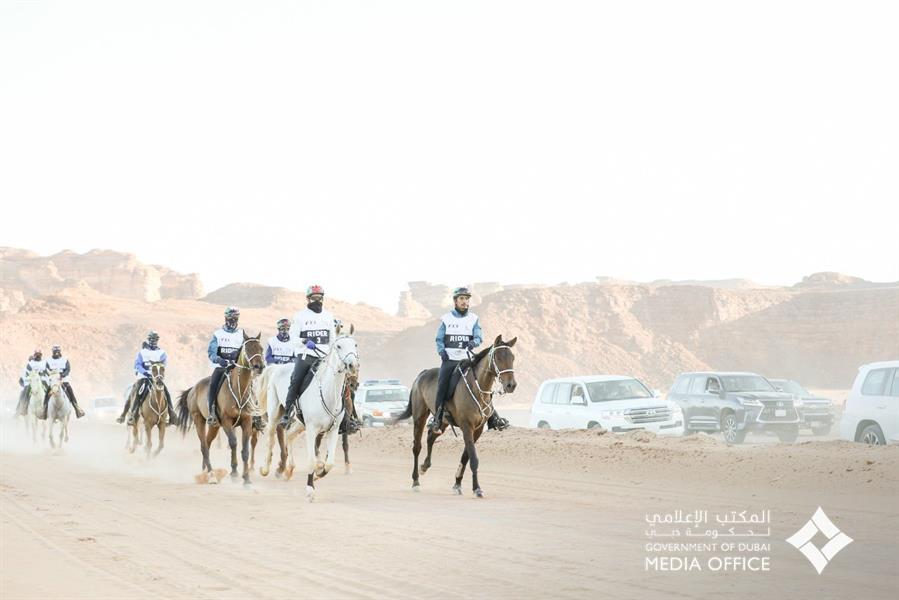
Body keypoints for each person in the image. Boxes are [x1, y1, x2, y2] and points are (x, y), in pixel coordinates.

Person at [430, 287, 510, 433]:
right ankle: (437, 418)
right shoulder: (446, 319)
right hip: (450, 360)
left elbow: (478, 336)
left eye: (467, 299)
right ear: (455, 301)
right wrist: (442, 351)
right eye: (461, 298)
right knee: (442, 385)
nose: (465, 301)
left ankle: (493, 418)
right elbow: (439, 339)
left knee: (483, 384)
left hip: (467, 359)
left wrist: (474, 342)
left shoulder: (474, 319)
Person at [278, 285, 338, 428]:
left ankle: (348, 417)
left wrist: (331, 355)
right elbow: (292, 337)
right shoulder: (300, 316)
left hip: (325, 356)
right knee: (296, 379)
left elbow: (332, 339)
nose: (317, 301)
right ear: (308, 299)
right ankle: (287, 413)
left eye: (320, 298)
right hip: (306, 355)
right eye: (314, 298)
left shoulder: (328, 316)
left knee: (344, 380)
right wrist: (304, 341)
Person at [118, 331, 178, 425]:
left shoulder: (162, 353)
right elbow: (137, 365)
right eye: (151, 339)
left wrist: (157, 374)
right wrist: (145, 372)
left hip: (156, 378)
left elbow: (163, 364)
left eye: (155, 340)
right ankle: (130, 416)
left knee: (167, 393)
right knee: (136, 392)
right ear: (148, 340)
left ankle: (172, 415)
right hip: (144, 377)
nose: (153, 341)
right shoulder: (142, 353)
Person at [205, 306, 245, 426]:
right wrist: (218, 359)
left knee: (252, 384)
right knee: (213, 384)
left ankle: (256, 415)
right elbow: (211, 352)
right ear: (226, 318)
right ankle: (212, 412)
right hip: (221, 367)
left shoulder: (242, 334)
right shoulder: (218, 334)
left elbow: (245, 352)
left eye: (235, 318)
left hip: (237, 368)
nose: (233, 320)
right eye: (230, 317)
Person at [39, 345, 85, 419]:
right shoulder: (48, 360)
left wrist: (62, 375)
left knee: (71, 393)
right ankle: (43, 410)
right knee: (47, 394)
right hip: (54, 382)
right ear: (52, 352)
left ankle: (77, 409)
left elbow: (68, 369)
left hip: (63, 381)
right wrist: (51, 375)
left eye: (57, 351)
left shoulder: (65, 360)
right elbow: (46, 370)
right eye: (55, 352)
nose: (56, 353)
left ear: (60, 352)